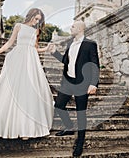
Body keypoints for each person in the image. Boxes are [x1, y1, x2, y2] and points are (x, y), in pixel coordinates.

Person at [0, 8, 54, 140]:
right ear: (30, 16)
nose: (36, 21)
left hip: (31, 60)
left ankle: (27, 128)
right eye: (35, 18)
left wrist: (47, 48)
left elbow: (35, 48)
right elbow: (10, 43)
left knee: (29, 91)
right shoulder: (19, 26)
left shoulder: (36, 31)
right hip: (18, 57)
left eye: (39, 20)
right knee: (13, 88)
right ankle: (9, 126)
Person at [49, 20, 100, 157]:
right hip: (67, 81)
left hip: (83, 83)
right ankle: (69, 127)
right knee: (59, 105)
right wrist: (54, 52)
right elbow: (66, 61)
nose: (70, 28)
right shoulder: (70, 43)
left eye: (73, 26)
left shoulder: (90, 44)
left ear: (80, 29)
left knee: (81, 113)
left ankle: (80, 142)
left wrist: (93, 83)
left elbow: (95, 64)